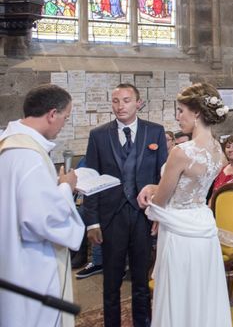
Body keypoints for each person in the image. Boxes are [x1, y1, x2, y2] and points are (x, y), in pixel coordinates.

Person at [136, 83, 231, 327]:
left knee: (178, 291)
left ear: (197, 112)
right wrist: (155, 189)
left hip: (179, 231)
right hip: (202, 226)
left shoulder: (182, 152)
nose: (178, 117)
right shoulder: (218, 151)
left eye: (181, 111)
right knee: (202, 288)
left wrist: (150, 195)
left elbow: (162, 200)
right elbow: (190, 189)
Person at [83, 83, 168, 327]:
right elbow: (90, 180)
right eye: (116, 101)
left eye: (126, 100)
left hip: (143, 216)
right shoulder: (99, 135)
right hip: (111, 218)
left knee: (141, 280)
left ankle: (143, 323)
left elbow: (162, 178)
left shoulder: (155, 132)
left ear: (138, 103)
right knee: (111, 281)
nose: (120, 106)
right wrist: (93, 222)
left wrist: (158, 216)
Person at [0, 84, 84, 327]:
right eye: (65, 118)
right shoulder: (29, 157)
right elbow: (41, 219)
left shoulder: (8, 143)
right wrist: (66, 187)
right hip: (29, 264)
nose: (63, 124)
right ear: (52, 114)